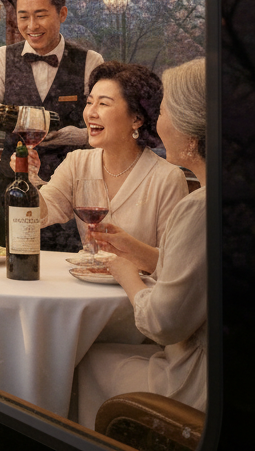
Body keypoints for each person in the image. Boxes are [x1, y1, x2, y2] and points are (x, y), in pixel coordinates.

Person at [74, 58, 207, 425]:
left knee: (79, 360)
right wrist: (137, 251)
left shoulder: (198, 208)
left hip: (200, 382)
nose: (157, 121)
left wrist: (124, 271)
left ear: (191, 135)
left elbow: (163, 323)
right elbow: (194, 273)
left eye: (162, 111)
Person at [0, 0, 103, 250]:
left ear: (61, 13)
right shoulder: (0, 58)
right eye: (23, 16)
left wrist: (66, 136)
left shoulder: (90, 61)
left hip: (71, 183)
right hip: (15, 181)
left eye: (40, 15)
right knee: (17, 255)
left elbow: (101, 130)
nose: (31, 26)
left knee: (71, 259)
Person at [30, 62, 187, 249]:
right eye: (89, 103)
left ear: (137, 119)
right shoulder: (77, 163)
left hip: (141, 279)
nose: (90, 113)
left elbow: (170, 262)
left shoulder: (167, 179)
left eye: (103, 103)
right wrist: (28, 178)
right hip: (87, 276)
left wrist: (126, 254)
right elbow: (40, 215)